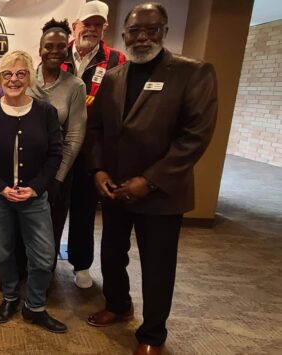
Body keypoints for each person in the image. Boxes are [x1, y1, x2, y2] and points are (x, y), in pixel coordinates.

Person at [86, 3, 218, 355]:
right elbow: (96, 128)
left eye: (151, 29)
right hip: (115, 187)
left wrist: (150, 180)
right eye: (135, 30)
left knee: (158, 264)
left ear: (164, 31)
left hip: (161, 193)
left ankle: (152, 335)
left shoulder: (193, 72)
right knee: (112, 253)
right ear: (124, 33)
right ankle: (117, 304)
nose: (143, 37)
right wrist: (98, 169)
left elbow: (195, 137)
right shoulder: (115, 76)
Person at [0, 50, 66, 333]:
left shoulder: (46, 112)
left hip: (34, 198)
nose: (14, 79)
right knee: (2, 253)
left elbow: (55, 154)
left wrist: (36, 188)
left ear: (29, 77)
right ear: (0, 78)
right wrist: (0, 188)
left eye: (21, 73)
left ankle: (34, 306)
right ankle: (10, 296)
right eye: (8, 74)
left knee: (44, 255)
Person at [61, 0, 126, 288]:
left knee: (85, 210)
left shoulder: (117, 60)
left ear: (105, 29)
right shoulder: (56, 53)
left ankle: (81, 264)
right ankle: (45, 260)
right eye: (86, 23)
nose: (91, 29)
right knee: (52, 207)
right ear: (75, 27)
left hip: (93, 149)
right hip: (59, 148)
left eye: (97, 24)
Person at [28, 18, 87, 272]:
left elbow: (74, 136)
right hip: (24, 168)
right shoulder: (26, 79)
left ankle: (43, 279)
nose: (54, 52)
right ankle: (19, 275)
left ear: (67, 49)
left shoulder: (75, 86)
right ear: (39, 48)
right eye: (48, 46)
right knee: (21, 227)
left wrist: (58, 177)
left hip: (57, 173)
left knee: (49, 229)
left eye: (60, 46)